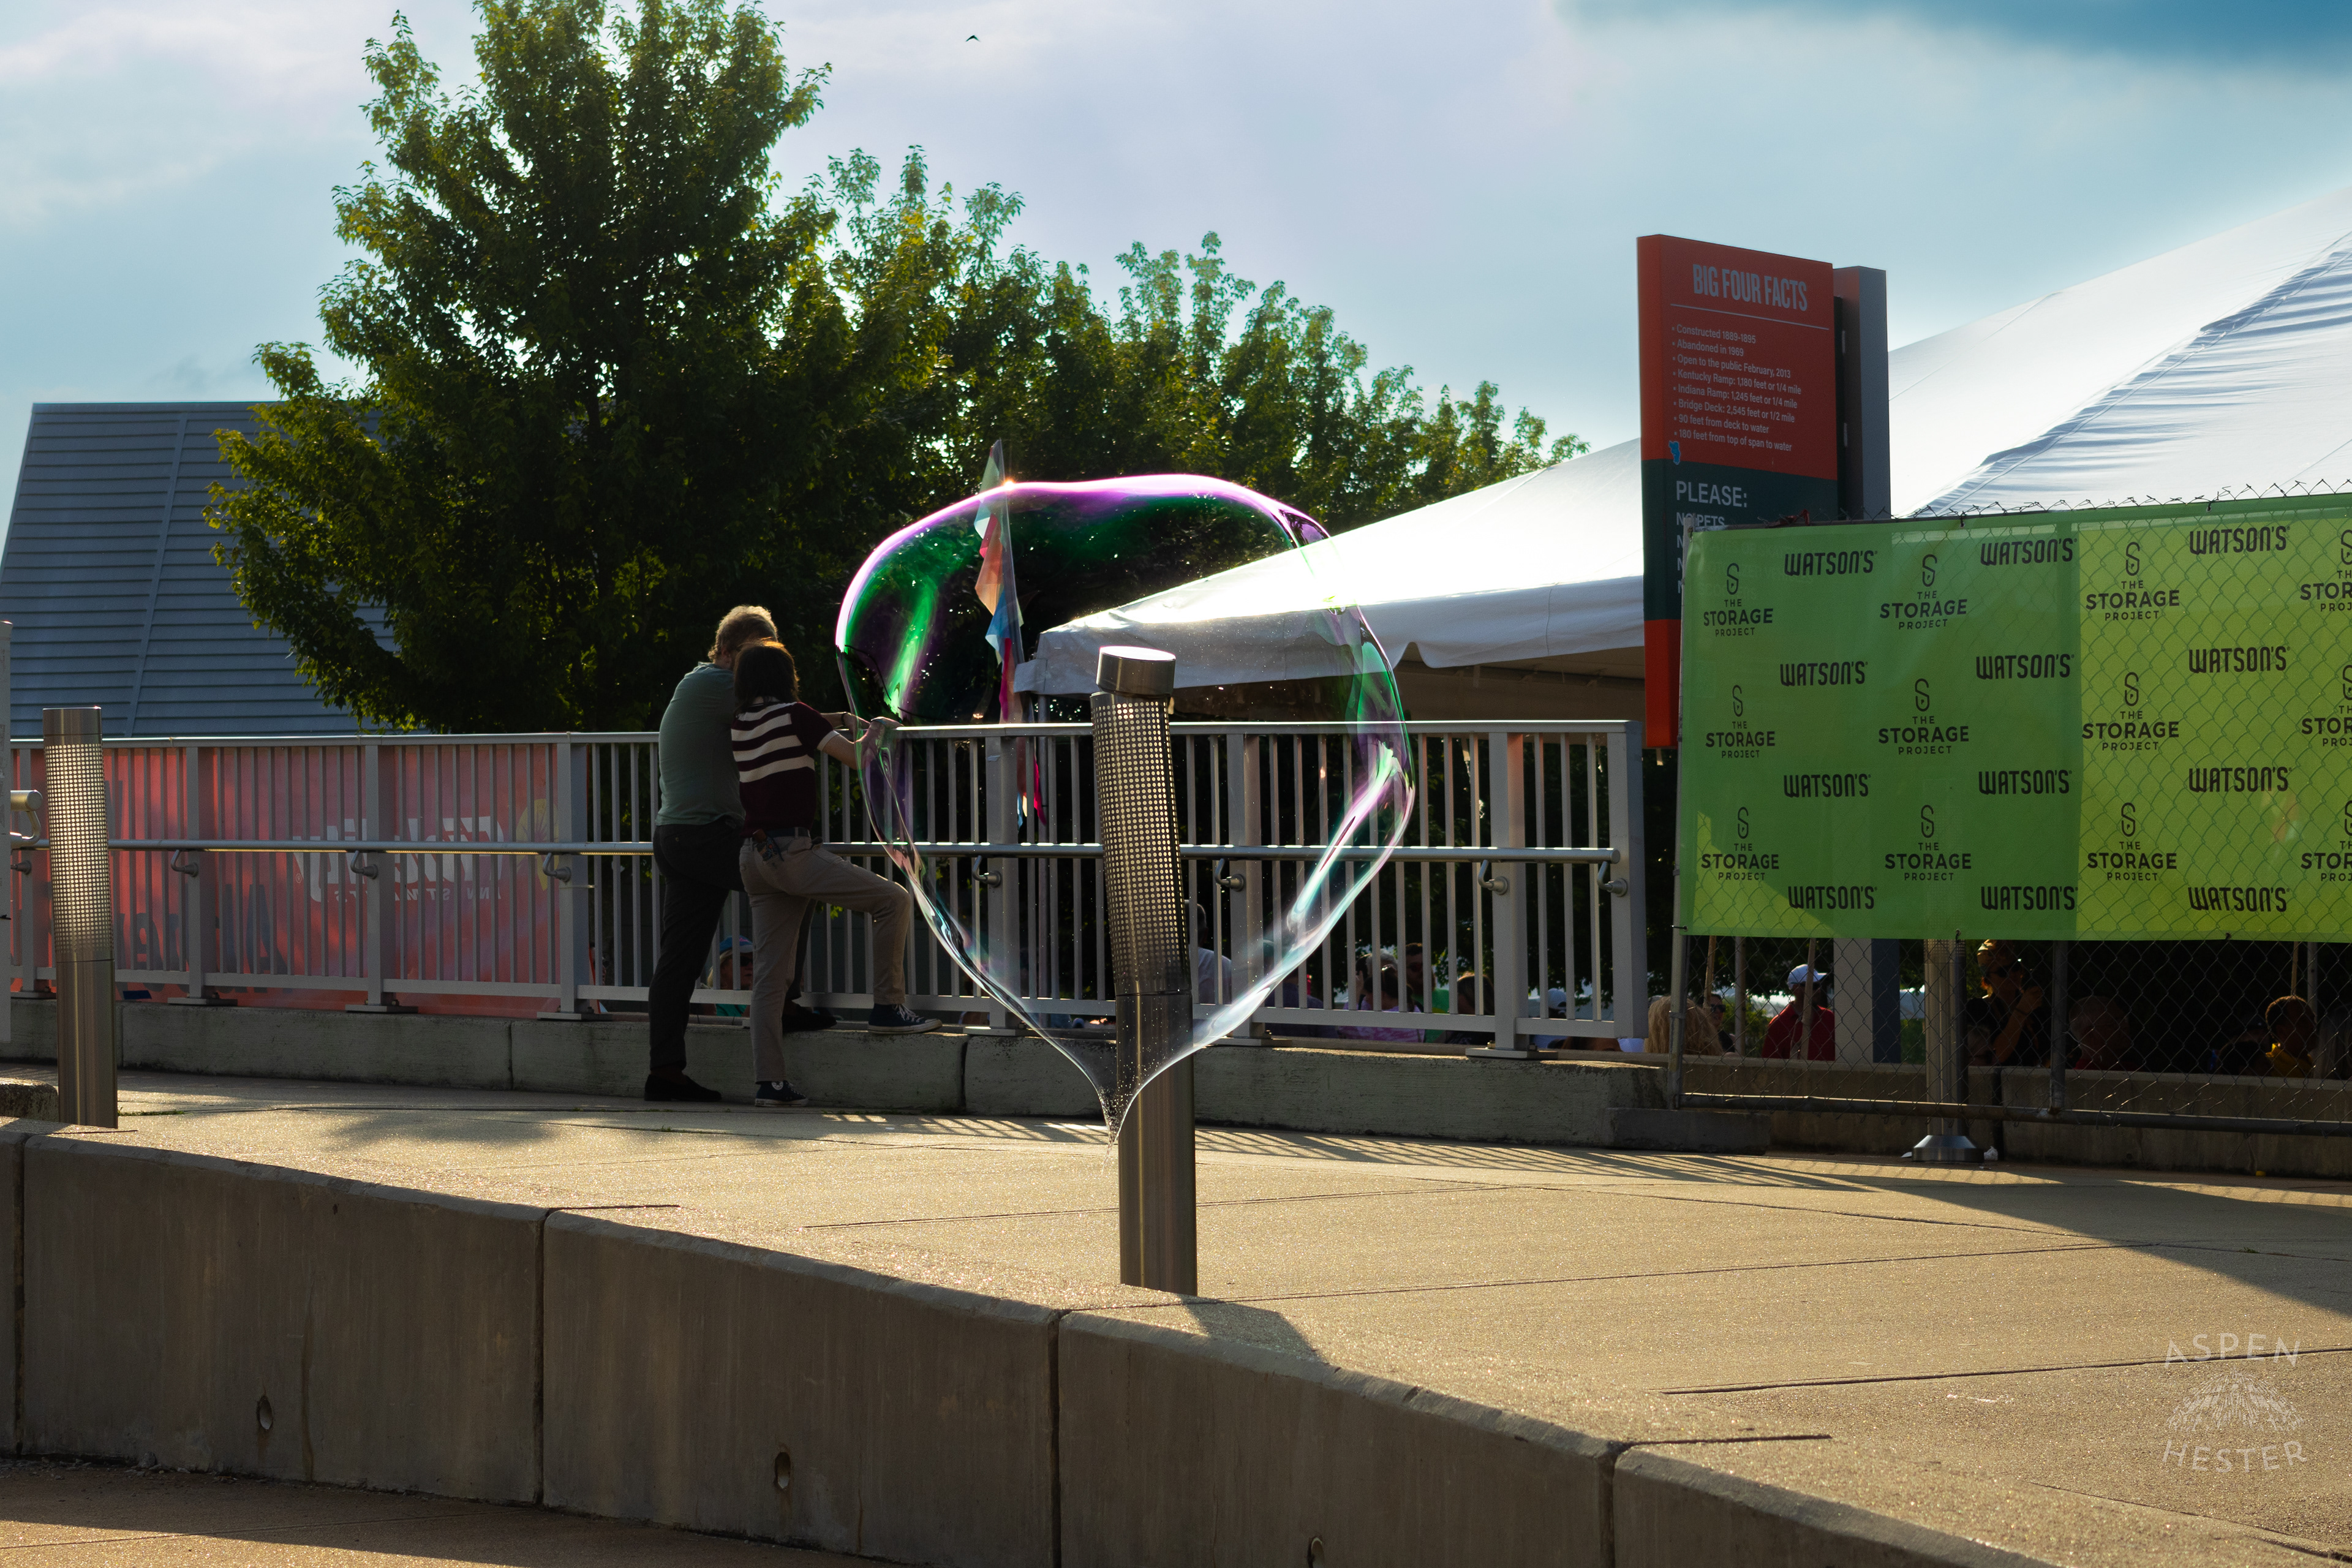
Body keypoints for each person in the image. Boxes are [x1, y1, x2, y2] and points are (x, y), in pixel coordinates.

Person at [731, 640, 937, 1109]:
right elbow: (858, 758)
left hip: (754, 857)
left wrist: (838, 722)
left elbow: (796, 726)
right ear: (786, 676)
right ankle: (888, 1007)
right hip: (793, 852)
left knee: (769, 976)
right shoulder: (797, 716)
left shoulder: (741, 725)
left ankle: (770, 1084)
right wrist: (878, 730)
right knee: (894, 900)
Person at [646, 605, 794, 1102]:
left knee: (680, 962)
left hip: (682, 836)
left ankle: (664, 1073)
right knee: (798, 878)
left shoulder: (703, 686)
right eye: (754, 656)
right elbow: (785, 718)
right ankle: (784, 1003)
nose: (760, 668)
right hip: (704, 836)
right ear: (727, 651)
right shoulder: (715, 684)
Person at [1965, 940, 2048, 1066]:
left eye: (2015, 967)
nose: (2011, 975)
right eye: (2002, 972)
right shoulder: (1979, 1009)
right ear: (1987, 979)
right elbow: (1997, 1056)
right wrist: (2021, 1012)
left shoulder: (2034, 1005)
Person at [1762, 963, 1835, 1060]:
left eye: (1820, 985)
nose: (1819, 990)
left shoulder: (1829, 1018)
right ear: (1797, 988)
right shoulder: (1779, 1025)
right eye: (1814, 986)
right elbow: (1770, 1065)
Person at [2067, 993, 2134, 1073]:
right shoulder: (2082, 1077)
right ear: (2091, 1036)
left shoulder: (2132, 1070)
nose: (2125, 1026)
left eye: (2124, 1020)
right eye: (2115, 1023)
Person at [2264, 995, 2318, 1079]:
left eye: (2312, 1019)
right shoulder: (2268, 1067)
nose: (2313, 1026)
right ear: (2281, 1032)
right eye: (2303, 1021)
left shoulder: (2315, 1064)